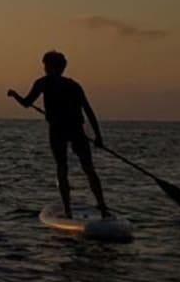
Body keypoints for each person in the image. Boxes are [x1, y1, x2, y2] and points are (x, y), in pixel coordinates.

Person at [9, 50, 110, 219]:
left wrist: (14, 95)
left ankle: (68, 211)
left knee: (62, 168)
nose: (44, 69)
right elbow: (89, 111)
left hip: (58, 131)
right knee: (88, 168)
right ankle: (103, 207)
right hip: (77, 129)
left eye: (45, 65)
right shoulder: (74, 85)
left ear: (49, 66)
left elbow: (27, 103)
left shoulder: (43, 83)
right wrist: (98, 137)